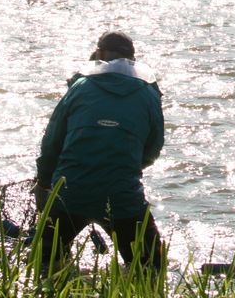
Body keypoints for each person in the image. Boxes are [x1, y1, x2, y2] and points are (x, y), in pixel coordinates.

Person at [34, 32, 165, 272]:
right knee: (151, 269)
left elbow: (52, 143)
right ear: (132, 60)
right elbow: (153, 148)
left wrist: (43, 182)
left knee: (45, 265)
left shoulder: (79, 87)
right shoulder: (148, 94)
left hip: (69, 192)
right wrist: (126, 165)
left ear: (99, 55)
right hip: (122, 197)